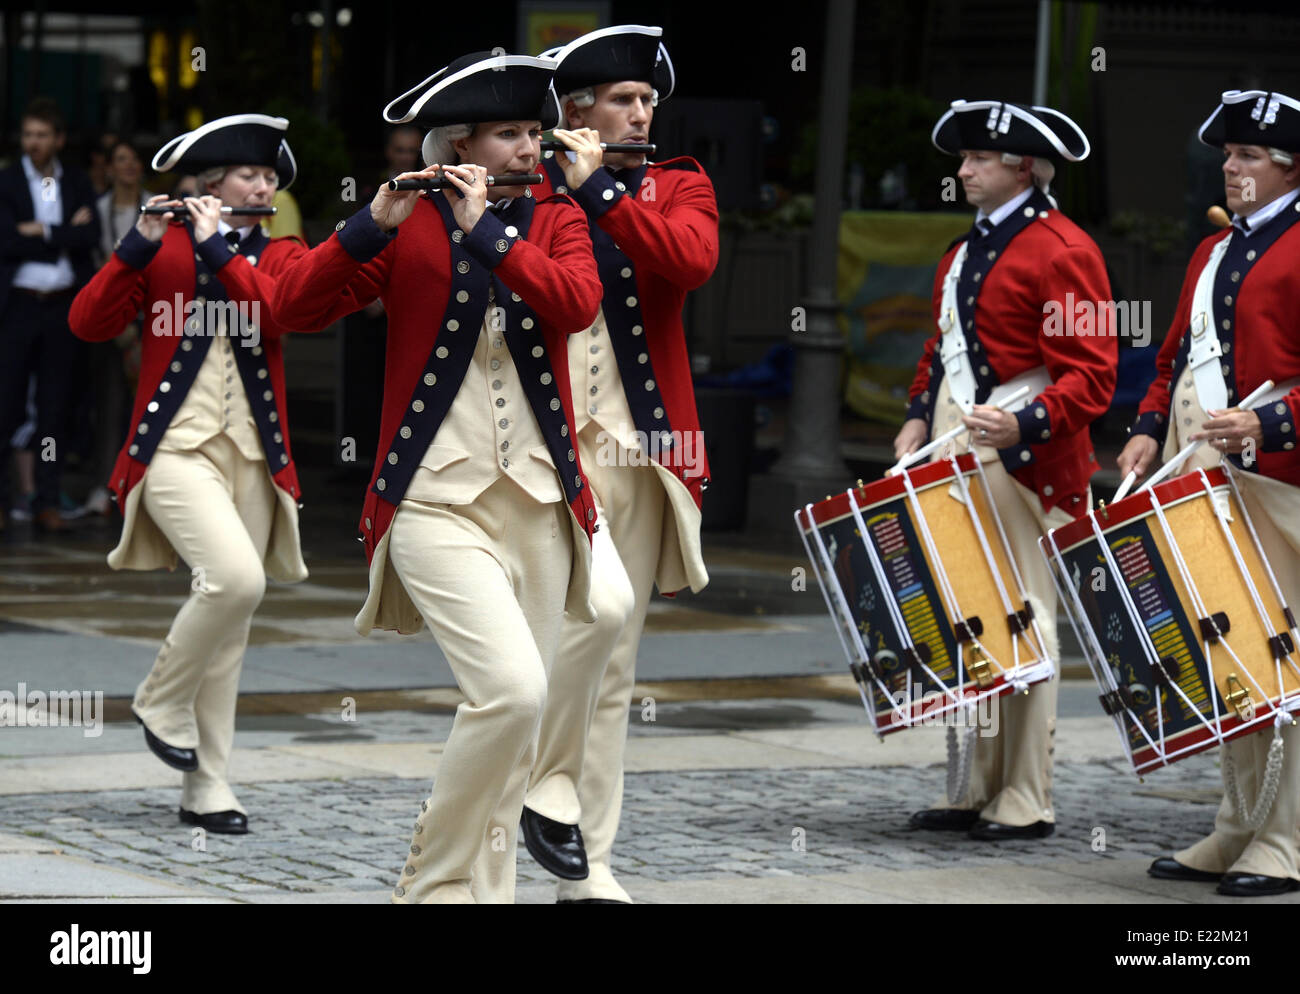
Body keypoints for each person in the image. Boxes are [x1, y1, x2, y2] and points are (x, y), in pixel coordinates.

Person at [269, 51, 603, 904]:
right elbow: (296, 308)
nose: (533, 146)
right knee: (514, 690)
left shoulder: (557, 218)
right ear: (460, 143)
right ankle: (432, 883)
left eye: (535, 131)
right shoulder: (405, 223)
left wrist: (489, 231)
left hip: (538, 500)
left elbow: (574, 305)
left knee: (520, 723)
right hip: (430, 503)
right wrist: (367, 226)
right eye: (510, 133)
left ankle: (481, 895)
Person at [68, 114, 310, 835]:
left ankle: (208, 784)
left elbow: (275, 317)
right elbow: (88, 324)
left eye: (269, 176)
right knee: (235, 579)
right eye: (248, 175)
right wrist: (134, 247)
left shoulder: (284, 252)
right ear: (209, 184)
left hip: (256, 455)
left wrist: (218, 247)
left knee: (231, 624)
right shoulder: (161, 246)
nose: (263, 185)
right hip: (173, 448)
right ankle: (159, 698)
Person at [519, 23, 716, 903]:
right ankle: (502, 835)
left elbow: (689, 262)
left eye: (648, 101)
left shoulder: (679, 185)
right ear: (576, 110)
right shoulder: (525, 187)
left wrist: (601, 190)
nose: (642, 114)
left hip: (639, 453)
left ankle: (588, 865)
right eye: (625, 101)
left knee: (614, 656)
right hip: (535, 450)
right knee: (531, 656)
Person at [895, 99, 1115, 840]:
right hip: (958, 451)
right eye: (964, 161)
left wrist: (1028, 421)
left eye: (977, 160)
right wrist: (917, 415)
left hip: (1027, 462)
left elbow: (1094, 375)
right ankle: (976, 783)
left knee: (1026, 619)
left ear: (1023, 167)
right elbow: (941, 348)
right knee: (970, 618)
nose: (963, 172)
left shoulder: (1065, 249)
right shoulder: (961, 254)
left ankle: (1026, 793)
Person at [1121, 89, 1300, 898]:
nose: (1230, 168)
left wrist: (1277, 424)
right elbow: (1170, 361)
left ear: (1290, 167)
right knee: (1229, 650)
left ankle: (1286, 840)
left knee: (1286, 662)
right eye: (1227, 155)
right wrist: (1149, 427)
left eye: (1250, 156)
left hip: (1282, 487)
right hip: (1206, 483)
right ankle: (1237, 826)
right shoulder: (1212, 251)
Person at [0, 97, 100, 532]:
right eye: (28, 135)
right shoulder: (6, 182)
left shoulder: (75, 181)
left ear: (58, 139)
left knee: (54, 407)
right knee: (5, 405)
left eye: (42, 135)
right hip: (20, 305)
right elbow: (6, 241)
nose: (33, 142)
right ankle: (4, 501)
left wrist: (40, 229)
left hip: (62, 304)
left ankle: (46, 498)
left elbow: (90, 235)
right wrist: (63, 234)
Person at [83, 141, 155, 518]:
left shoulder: (158, 206)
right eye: (121, 160)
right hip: (113, 319)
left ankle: (146, 490)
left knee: (149, 406)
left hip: (153, 319)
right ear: (109, 168)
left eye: (134, 159)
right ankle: (104, 487)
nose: (129, 166)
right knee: (108, 405)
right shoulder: (97, 209)